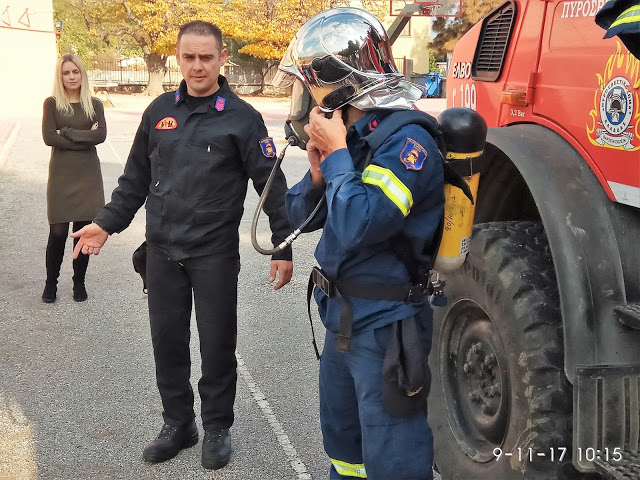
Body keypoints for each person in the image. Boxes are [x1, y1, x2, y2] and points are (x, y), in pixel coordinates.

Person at [70, 20, 293, 470]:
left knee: (216, 345)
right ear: (178, 57)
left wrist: (282, 246)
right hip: (163, 253)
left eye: (206, 57)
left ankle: (216, 427)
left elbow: (271, 184)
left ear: (221, 58)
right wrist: (105, 225)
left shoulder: (243, 119)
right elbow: (133, 181)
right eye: (188, 57)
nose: (197, 66)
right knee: (167, 343)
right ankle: (178, 423)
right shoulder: (157, 113)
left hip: (213, 254)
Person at [274, 8, 443, 480]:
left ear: (343, 86)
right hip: (342, 321)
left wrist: (339, 158)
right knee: (345, 452)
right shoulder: (355, 139)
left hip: (386, 327)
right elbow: (298, 220)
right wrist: (316, 173)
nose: (307, 101)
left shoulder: (409, 142)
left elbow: (360, 224)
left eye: (312, 88)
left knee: (394, 459)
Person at [41, 54, 107, 303]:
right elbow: (49, 138)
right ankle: (51, 284)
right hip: (61, 175)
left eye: (75, 72)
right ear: (61, 77)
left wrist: (66, 132)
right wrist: (83, 137)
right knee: (57, 232)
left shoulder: (94, 104)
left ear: (82, 74)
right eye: (66, 73)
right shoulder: (52, 104)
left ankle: (78, 283)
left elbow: (100, 136)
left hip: (87, 175)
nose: (71, 77)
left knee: (83, 231)